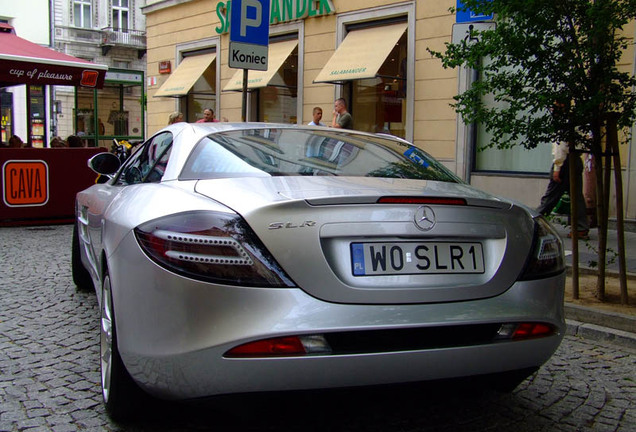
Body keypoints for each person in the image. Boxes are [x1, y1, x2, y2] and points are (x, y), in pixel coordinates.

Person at [537, 140, 590, 238]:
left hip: (565, 162)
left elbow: (560, 147)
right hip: (576, 159)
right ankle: (581, 227)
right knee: (576, 196)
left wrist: (557, 168)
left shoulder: (562, 126)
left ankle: (534, 222)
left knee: (551, 196)